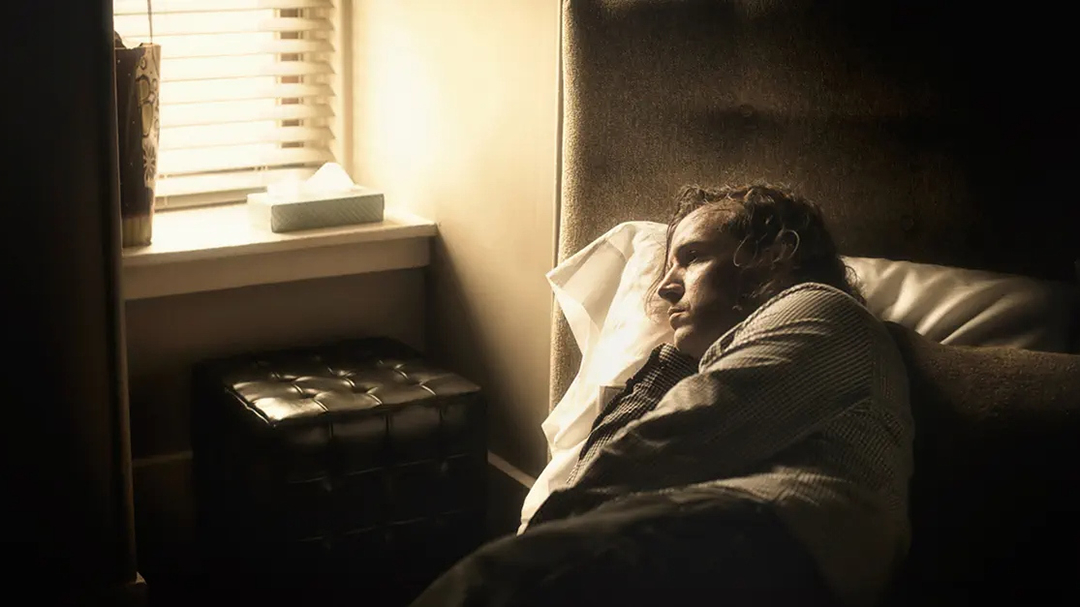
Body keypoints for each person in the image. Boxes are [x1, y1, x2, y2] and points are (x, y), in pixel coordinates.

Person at [410, 184, 914, 607]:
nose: (667, 289)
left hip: (779, 529)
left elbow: (669, 441)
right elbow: (614, 453)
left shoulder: (820, 309)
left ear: (774, 255)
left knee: (487, 586)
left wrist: (539, 537)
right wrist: (676, 354)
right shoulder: (726, 352)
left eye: (692, 258)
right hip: (740, 540)